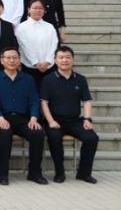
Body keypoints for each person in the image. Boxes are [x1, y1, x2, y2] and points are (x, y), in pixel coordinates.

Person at [0, 47, 46, 186]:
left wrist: (34, 118)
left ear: (19, 61)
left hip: (23, 119)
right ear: (1, 60)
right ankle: (2, 174)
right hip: (2, 118)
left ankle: (34, 173)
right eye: (8, 58)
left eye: (14, 58)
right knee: (4, 133)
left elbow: (34, 100)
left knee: (37, 133)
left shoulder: (28, 79)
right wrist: (0, 118)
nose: (11, 61)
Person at [41, 46, 99, 184]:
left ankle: (84, 173)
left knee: (92, 138)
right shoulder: (48, 79)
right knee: (54, 137)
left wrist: (87, 119)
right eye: (61, 57)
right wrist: (50, 121)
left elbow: (87, 101)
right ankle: (59, 173)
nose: (64, 60)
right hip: (55, 120)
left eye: (67, 57)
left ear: (73, 60)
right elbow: (43, 103)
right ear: (55, 60)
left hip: (74, 121)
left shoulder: (80, 79)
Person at [17, 0, 59, 92]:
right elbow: (25, 47)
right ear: (28, 9)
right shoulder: (22, 27)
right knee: (31, 94)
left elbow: (54, 45)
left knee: (49, 95)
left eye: (41, 8)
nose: (38, 10)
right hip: (29, 68)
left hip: (49, 67)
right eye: (35, 8)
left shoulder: (49, 27)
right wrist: (35, 63)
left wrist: (47, 61)